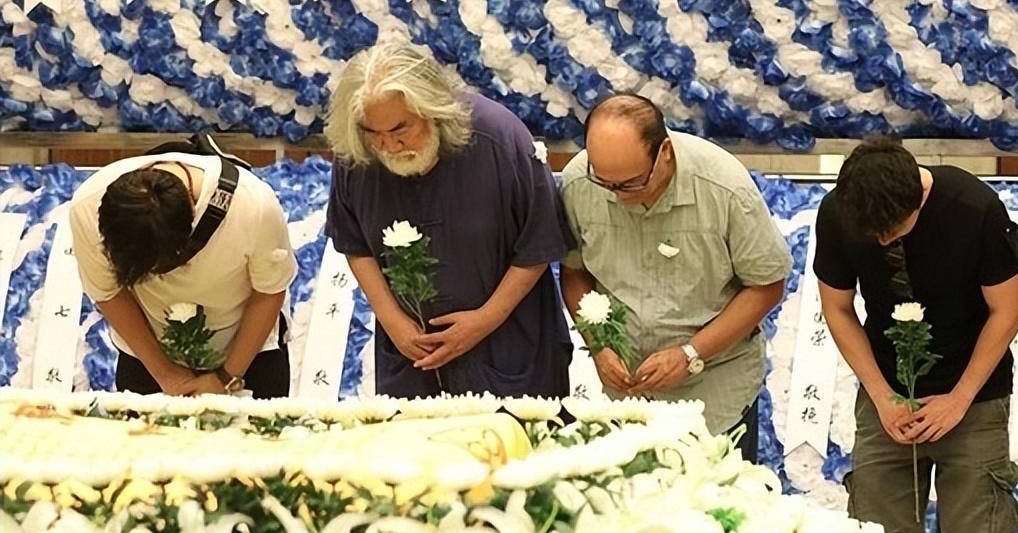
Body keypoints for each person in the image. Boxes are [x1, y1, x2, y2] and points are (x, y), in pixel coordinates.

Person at [813, 134, 1018, 533]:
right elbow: (838, 307)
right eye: (872, 234)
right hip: (886, 394)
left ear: (920, 197)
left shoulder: (974, 207)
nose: (882, 239)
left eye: (892, 229)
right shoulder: (839, 210)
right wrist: (881, 396)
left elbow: (1007, 311)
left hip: (974, 394)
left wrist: (959, 399)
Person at [324, 43, 573, 399]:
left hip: (508, 346)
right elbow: (354, 242)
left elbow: (538, 244)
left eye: (400, 129)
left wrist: (484, 320)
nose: (389, 145)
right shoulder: (357, 153)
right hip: (412, 353)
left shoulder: (499, 139)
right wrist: (392, 319)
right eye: (372, 132)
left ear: (432, 110)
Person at [558, 95, 791, 462]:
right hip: (626, 396)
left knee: (718, 496)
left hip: (712, 391)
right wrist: (599, 345)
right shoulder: (579, 182)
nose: (617, 197)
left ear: (665, 152)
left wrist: (690, 354)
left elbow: (766, 285)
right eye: (604, 183)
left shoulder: (724, 187)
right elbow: (574, 272)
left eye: (631, 184)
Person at [69, 150, 297, 397]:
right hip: (148, 356)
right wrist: (166, 375)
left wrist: (227, 378)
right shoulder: (88, 207)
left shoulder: (253, 206)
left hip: (250, 353)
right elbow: (109, 293)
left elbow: (269, 291)